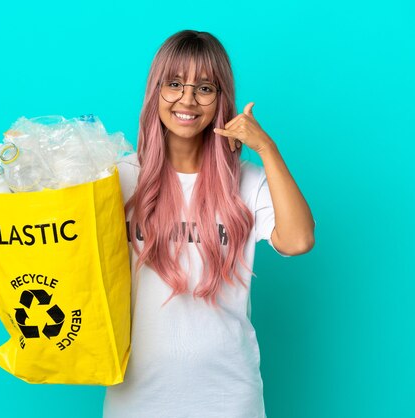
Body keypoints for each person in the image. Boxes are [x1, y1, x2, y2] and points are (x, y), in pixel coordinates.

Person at [103, 30, 316, 418]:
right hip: (136, 395)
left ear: (220, 99)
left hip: (228, 396)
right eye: (174, 84)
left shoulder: (246, 180)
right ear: (156, 92)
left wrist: (266, 148)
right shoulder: (119, 179)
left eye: (204, 87)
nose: (187, 99)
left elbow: (298, 240)